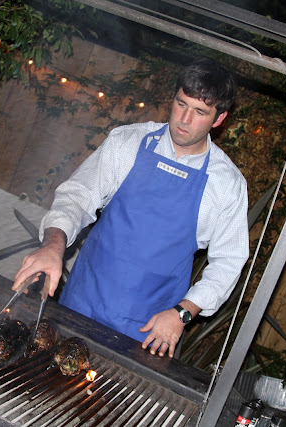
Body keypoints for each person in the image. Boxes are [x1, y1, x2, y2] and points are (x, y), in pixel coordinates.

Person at [13, 56, 249, 358]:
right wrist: (52, 246)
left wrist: (183, 312)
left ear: (219, 119)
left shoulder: (226, 184)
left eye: (200, 112)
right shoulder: (128, 142)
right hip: (81, 303)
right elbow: (78, 196)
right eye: (181, 104)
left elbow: (229, 261)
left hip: (149, 331)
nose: (184, 119)